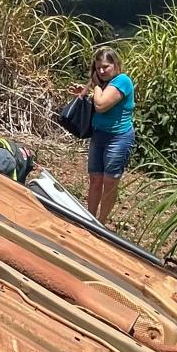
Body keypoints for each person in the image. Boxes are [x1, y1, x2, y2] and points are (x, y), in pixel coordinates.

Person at [71, 44, 135, 223]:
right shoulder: (103, 83)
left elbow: (100, 105)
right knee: (95, 179)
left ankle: (101, 222)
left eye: (105, 67)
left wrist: (96, 85)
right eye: (98, 68)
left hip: (118, 138)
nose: (101, 71)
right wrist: (85, 92)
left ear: (115, 65)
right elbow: (92, 101)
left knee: (110, 182)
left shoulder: (122, 81)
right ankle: (89, 218)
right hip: (99, 135)